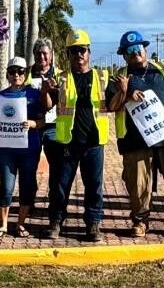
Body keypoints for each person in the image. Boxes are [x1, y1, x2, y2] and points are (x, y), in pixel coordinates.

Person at [106, 30, 164, 238]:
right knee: (138, 183)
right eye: (129, 50)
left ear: (145, 49)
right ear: (123, 55)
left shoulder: (163, 69)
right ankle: (140, 220)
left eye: (138, 48)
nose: (135, 52)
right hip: (134, 140)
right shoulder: (120, 77)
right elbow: (111, 106)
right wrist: (125, 92)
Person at [40, 29, 109, 242]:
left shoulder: (102, 77)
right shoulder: (59, 79)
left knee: (94, 187)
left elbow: (115, 104)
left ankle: (93, 224)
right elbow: (47, 106)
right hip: (67, 143)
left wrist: (125, 91)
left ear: (89, 52)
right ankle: (56, 222)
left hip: (94, 142)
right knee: (60, 187)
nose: (78, 55)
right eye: (73, 51)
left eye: (82, 50)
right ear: (67, 54)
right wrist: (45, 91)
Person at [0, 57, 42, 239]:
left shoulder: (34, 94)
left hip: (29, 148)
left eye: (20, 71)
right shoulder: (0, 96)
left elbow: (43, 121)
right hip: (7, 149)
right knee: (6, 186)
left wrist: (33, 123)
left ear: (25, 73)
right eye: (12, 72)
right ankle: (3, 224)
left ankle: (20, 223)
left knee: (27, 186)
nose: (16, 75)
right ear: (7, 74)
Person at [27, 39, 60, 206]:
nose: (41, 57)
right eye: (38, 53)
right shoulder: (25, 74)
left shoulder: (60, 75)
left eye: (45, 53)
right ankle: (29, 202)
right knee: (29, 168)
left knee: (57, 169)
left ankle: (55, 204)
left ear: (51, 55)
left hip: (53, 127)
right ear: (34, 55)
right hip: (31, 127)